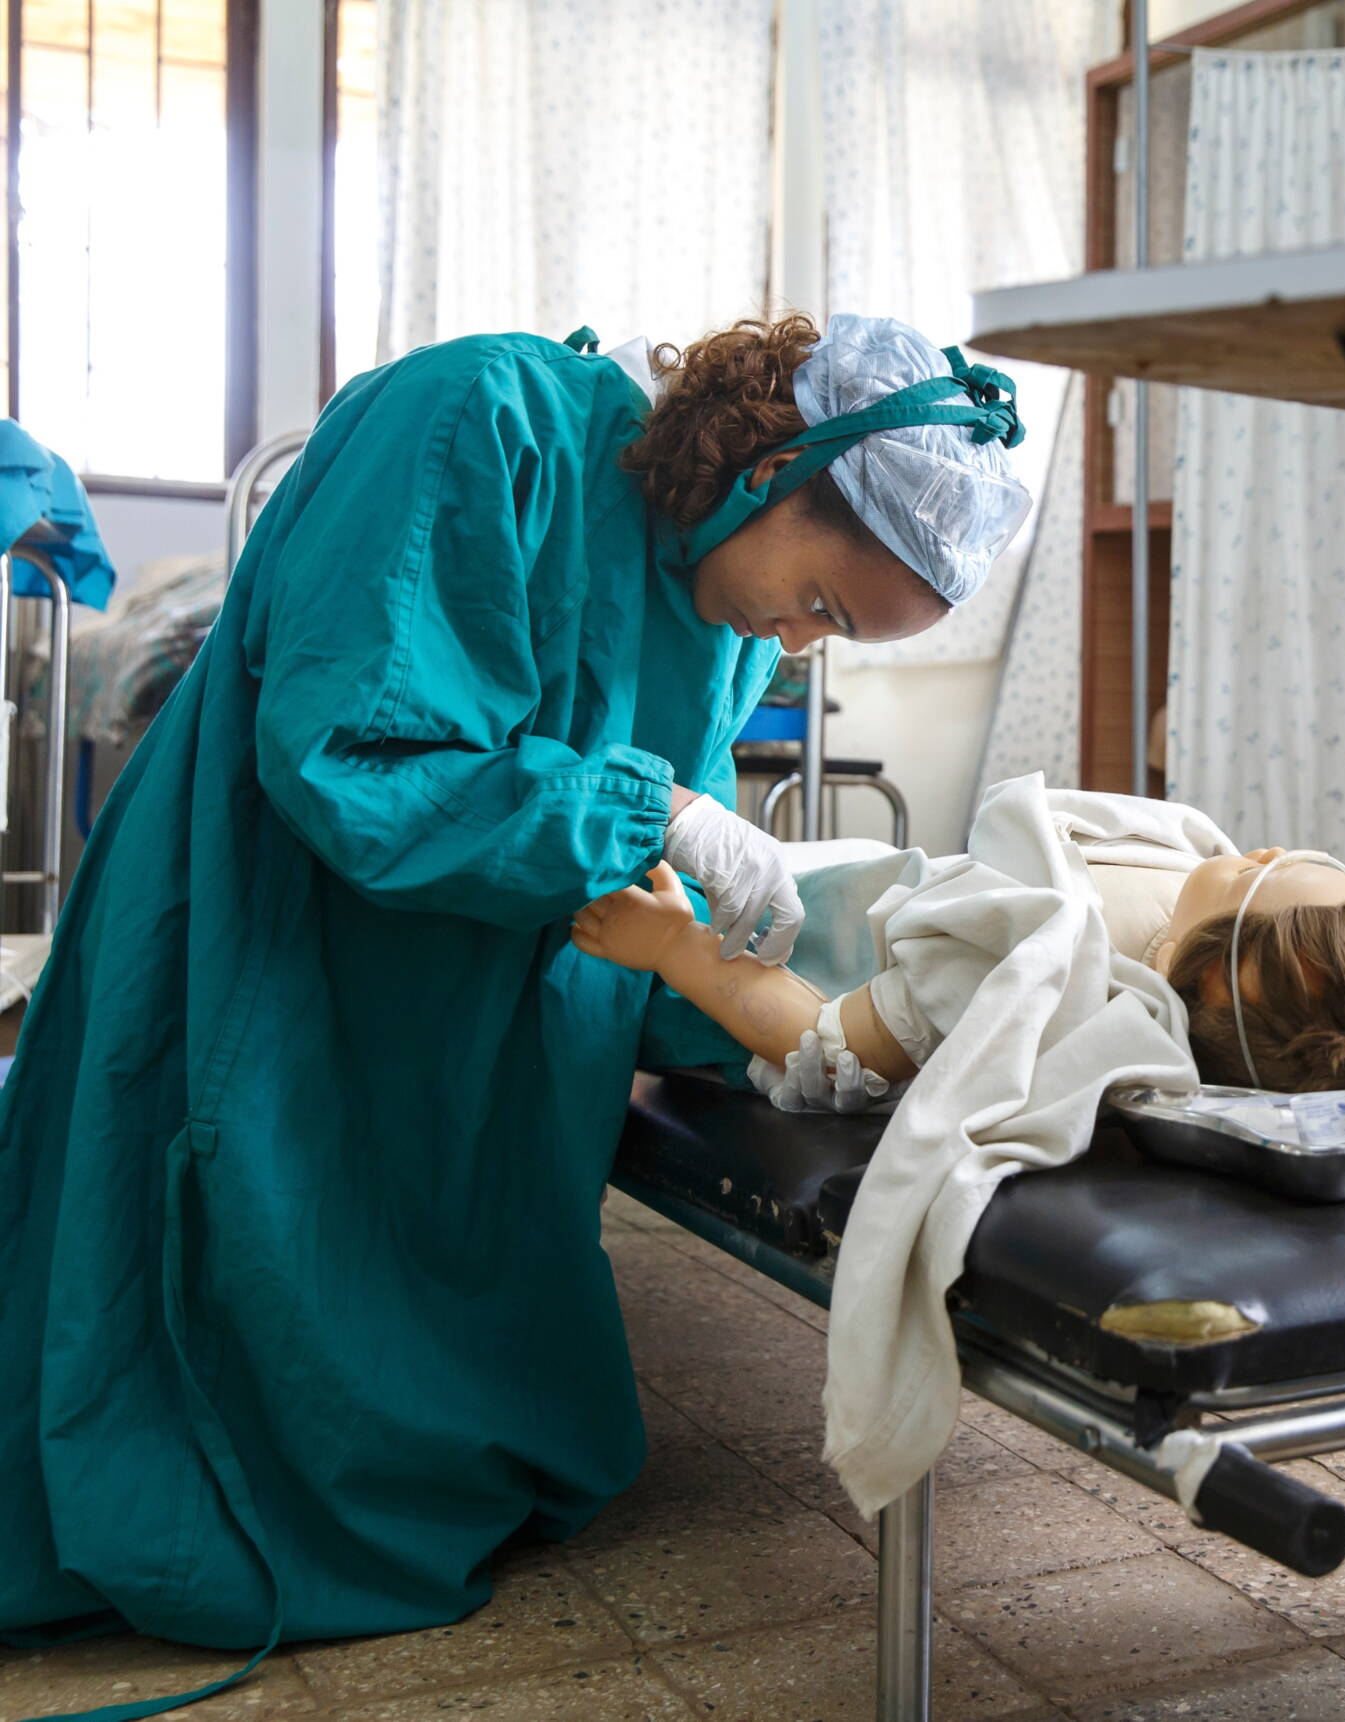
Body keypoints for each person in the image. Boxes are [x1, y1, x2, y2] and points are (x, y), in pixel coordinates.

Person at [0, 311, 1029, 1681]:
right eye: (823, 603)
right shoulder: (482, 419)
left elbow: (650, 874)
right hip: (285, 928)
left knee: (484, 1339)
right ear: (769, 462)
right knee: (236, 1270)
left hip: (486, 980)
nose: (794, 644)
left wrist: (752, 986)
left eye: (832, 638)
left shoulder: (724, 599)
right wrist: (645, 805)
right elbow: (350, 761)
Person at [572, 789, 1345, 1181]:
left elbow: (818, 1044)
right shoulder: (1271, 970)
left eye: (1263, 866)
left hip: (743, 958)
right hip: (844, 876)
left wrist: (674, 950)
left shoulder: (1040, 963)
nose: (1265, 847)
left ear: (1207, 970)